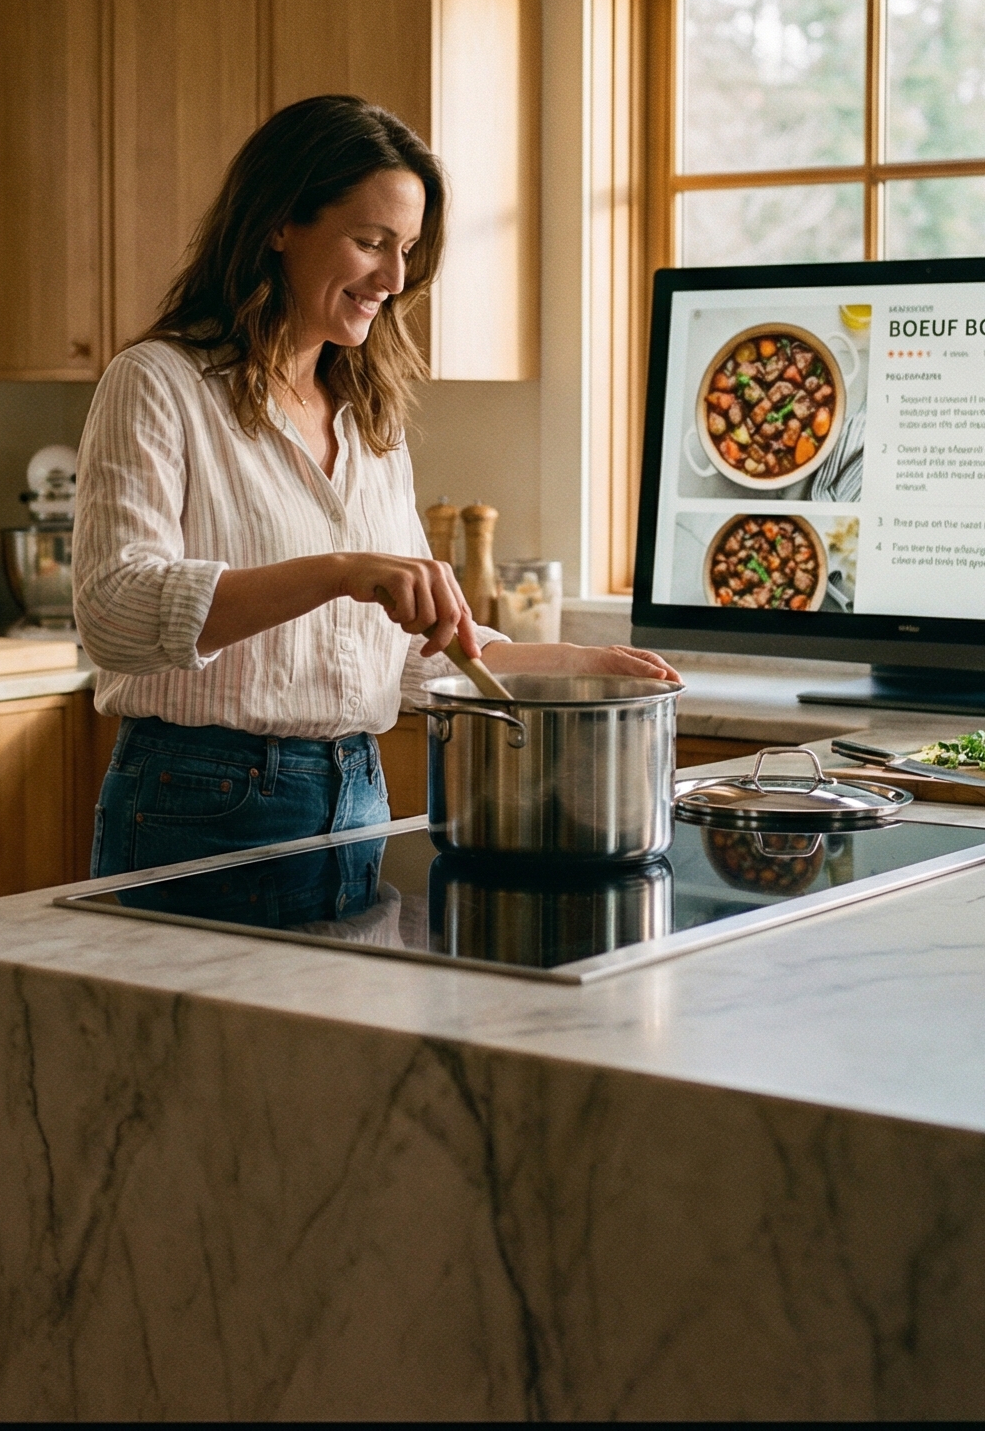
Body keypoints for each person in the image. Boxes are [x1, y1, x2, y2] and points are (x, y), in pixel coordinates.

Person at [73, 94, 678, 926]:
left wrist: (569, 665)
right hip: (197, 798)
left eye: (407, 250)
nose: (394, 280)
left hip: (356, 795)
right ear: (281, 222)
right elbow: (115, 613)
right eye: (370, 242)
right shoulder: (158, 384)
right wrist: (339, 573)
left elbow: (406, 660)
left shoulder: (369, 421)